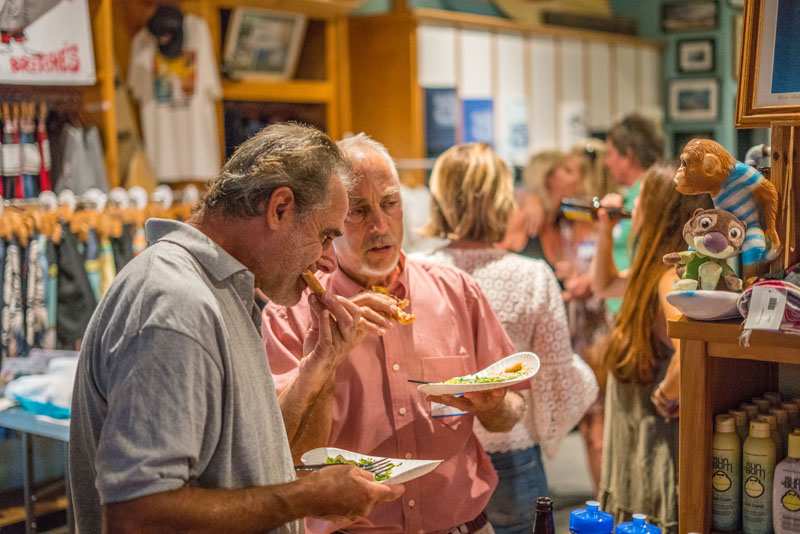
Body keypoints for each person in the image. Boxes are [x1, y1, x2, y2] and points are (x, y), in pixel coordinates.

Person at [69, 123, 403, 533]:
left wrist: (321, 363)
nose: (330, 261)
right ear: (279, 208)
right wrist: (306, 497)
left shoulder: (218, 291)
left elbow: (246, 458)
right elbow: (138, 515)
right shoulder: (177, 302)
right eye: (325, 235)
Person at [263, 133, 527, 534]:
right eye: (359, 211)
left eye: (389, 204)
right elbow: (279, 452)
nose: (380, 226)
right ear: (330, 220)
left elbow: (510, 413)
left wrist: (492, 405)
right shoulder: (293, 315)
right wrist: (326, 359)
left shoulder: (456, 291)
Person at [419, 143, 598, 534]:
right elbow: (555, 375)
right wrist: (588, 385)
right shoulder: (532, 275)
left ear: (441, 198)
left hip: (436, 455)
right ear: (503, 198)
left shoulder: (417, 271)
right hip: (512, 452)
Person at [591, 164, 712, 533]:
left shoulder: (670, 278)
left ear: (657, 209)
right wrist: (605, 230)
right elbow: (604, 283)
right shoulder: (652, 271)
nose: (632, 205)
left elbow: (688, 348)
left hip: (652, 441)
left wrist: (666, 392)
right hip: (636, 438)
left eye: (638, 199)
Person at [501, 148, 607, 491]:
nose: (575, 177)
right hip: (535, 335)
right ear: (546, 178)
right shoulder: (527, 214)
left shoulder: (575, 218)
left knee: (596, 423)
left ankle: (603, 508)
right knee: (531, 417)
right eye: (565, 170)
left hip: (582, 329)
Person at [601, 114, 665, 314]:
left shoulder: (649, 197)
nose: (606, 162)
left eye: (610, 153)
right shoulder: (631, 195)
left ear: (628, 155)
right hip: (623, 302)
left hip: (637, 309)